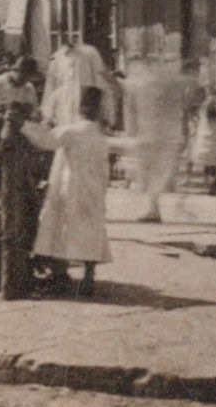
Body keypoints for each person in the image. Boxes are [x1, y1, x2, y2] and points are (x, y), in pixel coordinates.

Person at [21, 85, 131, 297]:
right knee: (91, 228)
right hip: (94, 188)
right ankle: (89, 275)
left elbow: (45, 141)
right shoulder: (98, 134)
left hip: (73, 186)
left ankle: (59, 273)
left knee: (64, 226)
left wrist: (24, 125)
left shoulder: (72, 130)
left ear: (81, 108)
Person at [0, 56, 47, 295]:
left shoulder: (28, 89)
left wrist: (30, 118)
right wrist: (2, 115)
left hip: (20, 142)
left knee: (19, 200)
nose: (24, 80)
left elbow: (35, 114)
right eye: (21, 75)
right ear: (14, 70)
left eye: (28, 77)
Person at [121, 56, 196, 224]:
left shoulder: (148, 83)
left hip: (155, 135)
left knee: (152, 172)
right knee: (151, 173)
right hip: (155, 134)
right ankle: (153, 208)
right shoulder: (159, 83)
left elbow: (186, 101)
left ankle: (153, 208)